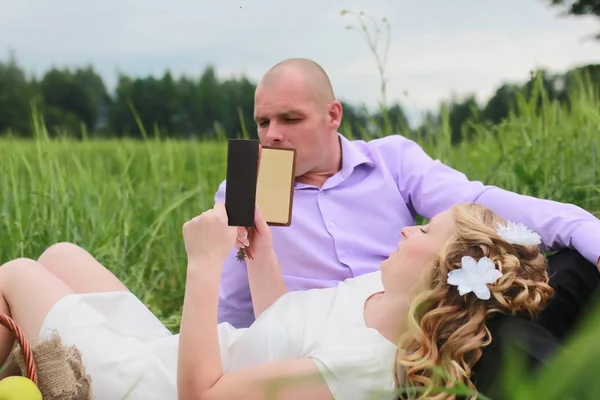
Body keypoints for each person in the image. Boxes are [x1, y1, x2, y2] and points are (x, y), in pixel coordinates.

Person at [0, 202, 558, 400]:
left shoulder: (362, 369)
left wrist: (204, 265)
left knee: (16, 273)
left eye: (424, 233)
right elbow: (286, 329)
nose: (408, 231)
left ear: (440, 277)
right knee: (61, 254)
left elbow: (203, 395)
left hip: (166, 387)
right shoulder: (380, 293)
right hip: (175, 356)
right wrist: (258, 257)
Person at [212, 57, 600, 332]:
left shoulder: (391, 161)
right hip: (325, 345)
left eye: (290, 118)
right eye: (263, 122)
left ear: (333, 115)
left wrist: (587, 233)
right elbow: (232, 300)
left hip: (421, 327)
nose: (272, 134)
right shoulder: (246, 186)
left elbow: (479, 202)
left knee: (572, 266)